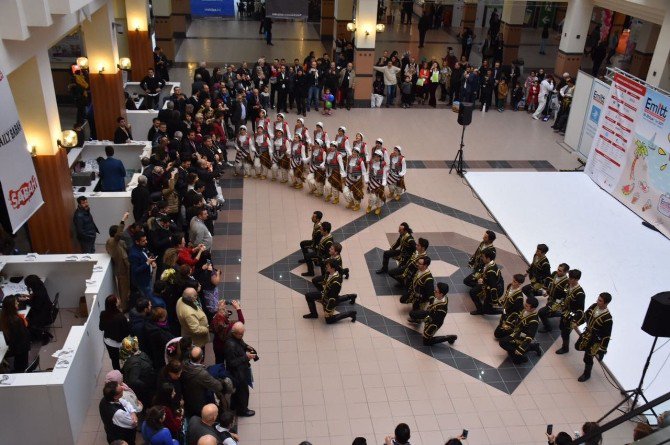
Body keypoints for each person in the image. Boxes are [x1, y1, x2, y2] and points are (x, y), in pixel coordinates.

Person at [303, 258, 357, 323]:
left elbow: (332, 298)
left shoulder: (336, 283)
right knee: (308, 296)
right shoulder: (329, 272)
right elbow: (326, 281)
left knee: (329, 320)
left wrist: (328, 310)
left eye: (328, 266)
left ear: (333, 268)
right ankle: (314, 314)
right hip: (326, 294)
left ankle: (351, 313)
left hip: (330, 298)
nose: (326, 266)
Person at [575, 292, 613, 382]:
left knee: (587, 357)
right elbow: (585, 316)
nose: (597, 301)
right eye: (598, 299)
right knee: (577, 346)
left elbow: (606, 336)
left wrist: (602, 349)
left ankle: (587, 374)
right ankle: (590, 353)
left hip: (595, 340)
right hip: (587, 334)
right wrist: (577, 323)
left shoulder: (608, 318)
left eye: (600, 301)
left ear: (606, 303)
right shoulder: (594, 306)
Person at [181, 346, 227, 417]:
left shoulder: (183, 365)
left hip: (187, 398)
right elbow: (218, 386)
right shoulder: (202, 374)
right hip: (200, 402)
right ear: (202, 357)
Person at [224, 322, 258, 417]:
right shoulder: (230, 345)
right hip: (237, 372)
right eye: (241, 334)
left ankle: (234, 405)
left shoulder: (234, 337)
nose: (242, 335)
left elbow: (241, 343)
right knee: (243, 391)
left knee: (237, 391)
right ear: (235, 333)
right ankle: (243, 410)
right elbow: (231, 362)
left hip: (240, 370)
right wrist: (246, 357)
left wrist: (246, 346)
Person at [408, 282, 457, 346]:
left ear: (441, 294)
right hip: (429, 313)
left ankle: (449, 338)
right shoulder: (441, 296)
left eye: (436, 291)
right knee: (412, 314)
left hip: (434, 322)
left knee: (426, 342)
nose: (434, 291)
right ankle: (418, 320)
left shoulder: (441, 309)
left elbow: (436, 320)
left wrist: (426, 319)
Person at [499, 295, 542, 364]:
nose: (525, 306)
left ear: (533, 308)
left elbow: (530, 336)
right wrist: (509, 325)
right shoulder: (524, 310)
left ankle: (531, 348)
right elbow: (517, 319)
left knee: (516, 360)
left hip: (522, 338)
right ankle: (517, 352)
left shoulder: (534, 321)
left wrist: (520, 349)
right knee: (502, 338)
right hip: (517, 333)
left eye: (527, 306)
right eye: (525, 304)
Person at [555, 269, 585, 355]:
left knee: (565, 331)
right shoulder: (568, 285)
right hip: (565, 311)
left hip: (571, 314)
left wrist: (572, 317)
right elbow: (564, 295)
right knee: (561, 327)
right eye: (569, 277)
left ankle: (565, 348)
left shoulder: (580, 294)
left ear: (576, 279)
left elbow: (580, 310)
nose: (569, 279)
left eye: (571, 278)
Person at [121, 335, 157, 406]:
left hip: (147, 381)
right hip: (143, 389)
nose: (137, 345)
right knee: (146, 402)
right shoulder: (135, 363)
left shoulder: (136, 354)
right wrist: (145, 385)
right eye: (135, 344)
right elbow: (133, 380)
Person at [106, 213, 131, 310]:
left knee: (126, 289)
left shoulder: (115, 242)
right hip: (122, 270)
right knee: (124, 290)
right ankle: (124, 308)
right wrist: (123, 219)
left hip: (124, 268)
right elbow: (119, 233)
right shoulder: (112, 242)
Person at [0, 295, 31, 372]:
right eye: (16, 303)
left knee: (19, 363)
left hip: (16, 346)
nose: (18, 303)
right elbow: (23, 335)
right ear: (11, 307)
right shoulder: (16, 320)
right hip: (21, 347)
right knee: (20, 366)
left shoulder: (4, 317)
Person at [99, 295, 131, 370]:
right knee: (126, 359)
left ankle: (117, 375)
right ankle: (126, 373)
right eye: (117, 300)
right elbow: (126, 332)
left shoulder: (103, 314)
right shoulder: (121, 317)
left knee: (114, 360)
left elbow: (101, 328)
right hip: (120, 343)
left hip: (108, 342)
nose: (119, 300)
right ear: (115, 304)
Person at [469, 247, 502, 315]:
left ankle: (503, 311)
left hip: (494, 290)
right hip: (486, 285)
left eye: (483, 257)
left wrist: (494, 302)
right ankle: (480, 310)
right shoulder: (489, 264)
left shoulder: (491, 271)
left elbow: (493, 287)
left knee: (487, 310)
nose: (481, 258)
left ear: (488, 258)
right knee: (472, 292)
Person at [493, 274, 526, 339]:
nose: (512, 283)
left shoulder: (519, 297)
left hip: (511, 316)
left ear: (519, 284)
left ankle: (513, 332)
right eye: (513, 280)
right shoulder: (509, 286)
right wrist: (499, 303)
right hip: (505, 311)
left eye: (515, 282)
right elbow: (505, 297)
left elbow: (515, 312)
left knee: (497, 334)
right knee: (498, 331)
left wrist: (507, 320)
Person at [22, 274, 54, 340]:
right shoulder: (40, 285)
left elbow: (36, 306)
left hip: (43, 313)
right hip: (46, 308)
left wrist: (25, 301)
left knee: (25, 320)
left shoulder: (39, 293)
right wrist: (30, 296)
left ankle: (34, 334)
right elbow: (36, 298)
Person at [128, 231, 157, 304]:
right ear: (137, 242)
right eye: (143, 241)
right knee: (147, 298)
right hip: (143, 282)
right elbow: (136, 270)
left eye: (146, 239)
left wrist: (152, 261)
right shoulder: (134, 254)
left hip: (148, 277)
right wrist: (148, 263)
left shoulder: (142, 247)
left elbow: (147, 253)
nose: (146, 242)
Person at [212, 300, 244, 364]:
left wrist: (220, 309)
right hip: (227, 348)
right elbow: (241, 322)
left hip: (217, 346)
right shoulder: (230, 327)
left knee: (219, 363)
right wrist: (238, 308)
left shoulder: (215, 321)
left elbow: (218, 316)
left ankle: (220, 372)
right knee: (230, 363)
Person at [367, 150, 388, 214]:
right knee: (372, 197)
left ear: (380, 157)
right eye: (375, 156)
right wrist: (367, 179)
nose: (376, 158)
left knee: (379, 197)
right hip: (372, 182)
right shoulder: (371, 162)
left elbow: (385, 174)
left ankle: (378, 207)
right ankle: (369, 206)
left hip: (380, 183)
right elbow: (368, 171)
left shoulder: (383, 164)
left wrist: (384, 182)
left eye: (378, 157)